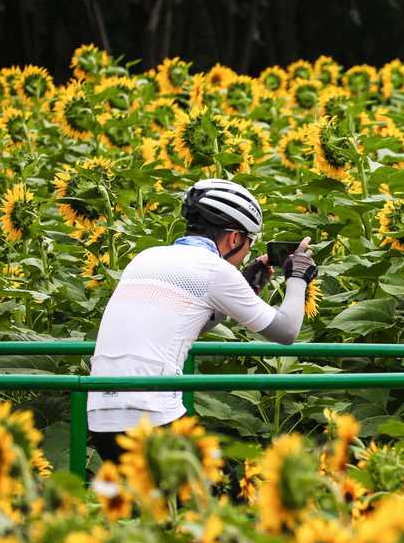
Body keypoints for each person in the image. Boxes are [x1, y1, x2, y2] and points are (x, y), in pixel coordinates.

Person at [87, 178, 316, 462]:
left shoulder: (148, 256)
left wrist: (247, 284)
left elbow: (192, 320)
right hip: (151, 413)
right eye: (249, 242)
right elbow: (286, 331)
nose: (246, 252)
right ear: (234, 238)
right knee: (212, 494)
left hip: (100, 415)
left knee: (145, 503)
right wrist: (298, 276)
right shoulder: (214, 269)